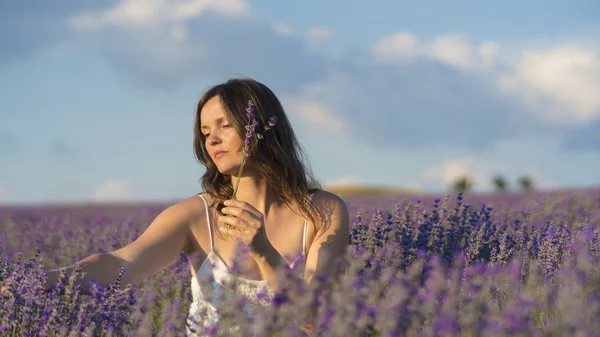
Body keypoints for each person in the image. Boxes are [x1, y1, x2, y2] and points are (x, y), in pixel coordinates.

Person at [1, 78, 350, 336]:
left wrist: (263, 251)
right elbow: (122, 263)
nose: (211, 139)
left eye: (224, 125)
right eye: (204, 131)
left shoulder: (321, 212)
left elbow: (313, 318)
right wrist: (33, 283)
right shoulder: (196, 216)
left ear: (260, 127)